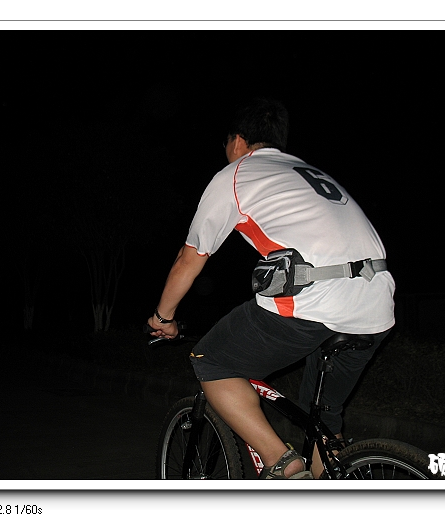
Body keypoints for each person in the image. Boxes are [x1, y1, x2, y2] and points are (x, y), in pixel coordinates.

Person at [147, 97, 395, 479]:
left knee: (210, 360)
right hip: (377, 302)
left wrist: (163, 317)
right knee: (321, 419)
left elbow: (189, 258)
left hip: (314, 302)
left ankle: (283, 462)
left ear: (238, 141)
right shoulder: (307, 172)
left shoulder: (236, 174)